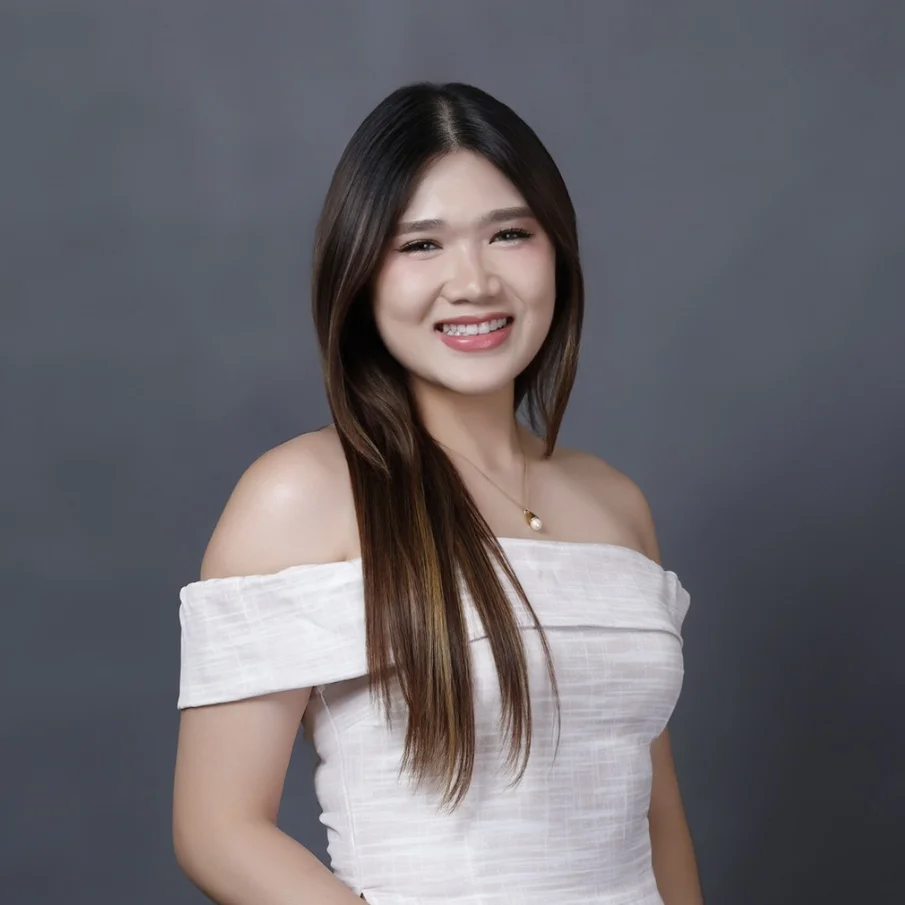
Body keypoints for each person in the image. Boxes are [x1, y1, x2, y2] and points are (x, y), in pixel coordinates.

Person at [172, 81, 704, 905]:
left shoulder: (613, 502)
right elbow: (218, 827)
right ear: (360, 273)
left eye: (508, 234)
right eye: (421, 244)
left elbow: (655, 814)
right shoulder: (300, 495)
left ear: (556, 250)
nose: (473, 281)